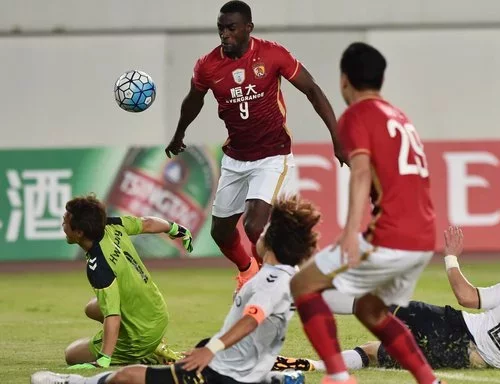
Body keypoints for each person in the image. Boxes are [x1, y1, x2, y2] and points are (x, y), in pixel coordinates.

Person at [32, 195, 320, 384]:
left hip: (221, 369)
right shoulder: (276, 275)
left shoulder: (272, 282)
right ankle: (277, 378)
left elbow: (251, 319)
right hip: (226, 356)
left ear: (270, 243)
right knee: (98, 310)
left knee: (126, 376)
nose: (256, 232)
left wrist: (212, 350)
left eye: (265, 230)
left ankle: (70, 381)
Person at [290, 42, 444, 384]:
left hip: (392, 235)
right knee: (369, 309)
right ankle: (430, 381)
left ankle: (338, 377)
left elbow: (360, 172)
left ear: (344, 80)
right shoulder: (400, 117)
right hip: (423, 239)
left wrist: (349, 232)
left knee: (303, 285)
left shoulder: (356, 116)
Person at [164, 0, 344, 292]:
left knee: (253, 226)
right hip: (235, 158)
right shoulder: (208, 66)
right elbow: (193, 101)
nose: (225, 35)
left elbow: (312, 90)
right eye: (221, 29)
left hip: (272, 154)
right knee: (220, 232)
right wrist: (179, 133)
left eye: (231, 28)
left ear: (248, 28)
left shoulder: (272, 54)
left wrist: (338, 139)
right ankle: (249, 270)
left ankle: (285, 282)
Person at [277, 227, 500, 372]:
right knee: (380, 351)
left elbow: (465, 297)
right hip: (468, 359)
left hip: (456, 329)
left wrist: (451, 258)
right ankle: (314, 366)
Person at [60, 194, 189, 369]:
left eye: (65, 221)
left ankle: (147, 355)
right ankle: (156, 345)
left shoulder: (98, 266)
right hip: (157, 314)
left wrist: (103, 359)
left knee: (72, 354)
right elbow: (147, 223)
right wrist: (175, 228)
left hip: (141, 337)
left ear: (79, 232)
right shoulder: (111, 225)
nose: (63, 225)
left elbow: (113, 315)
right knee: (91, 308)